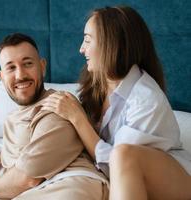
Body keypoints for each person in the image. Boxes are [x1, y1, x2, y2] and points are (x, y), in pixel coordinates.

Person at [41, 6, 191, 200]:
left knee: (122, 155)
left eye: (87, 40)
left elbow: (114, 165)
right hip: (133, 175)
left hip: (177, 179)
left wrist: (78, 119)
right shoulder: (98, 84)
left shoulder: (145, 99)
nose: (81, 49)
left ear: (111, 44)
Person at [0, 33, 109, 200]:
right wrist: (3, 156)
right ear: (2, 77)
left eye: (28, 63)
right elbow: (34, 149)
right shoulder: (13, 117)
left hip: (72, 185)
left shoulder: (59, 105)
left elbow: (28, 177)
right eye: (11, 67)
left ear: (42, 66)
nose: (20, 75)